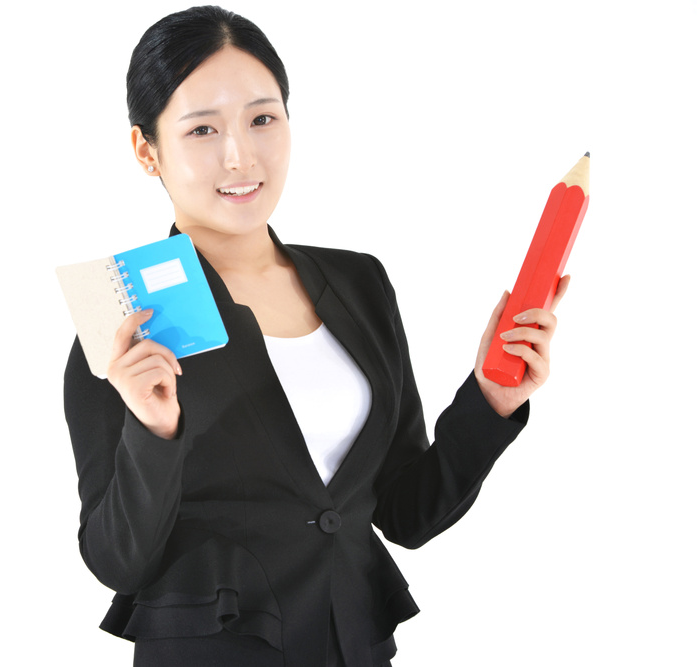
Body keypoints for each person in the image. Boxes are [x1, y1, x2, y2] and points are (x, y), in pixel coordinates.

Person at [63, 6, 569, 666]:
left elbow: (407, 512)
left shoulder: (359, 282)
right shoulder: (122, 323)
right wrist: (154, 432)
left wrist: (491, 400)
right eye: (202, 129)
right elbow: (116, 559)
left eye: (262, 119)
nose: (240, 156)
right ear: (146, 150)